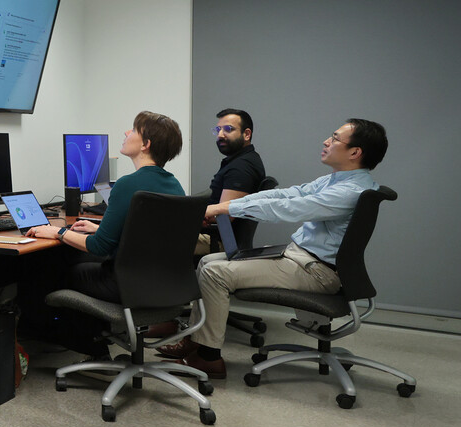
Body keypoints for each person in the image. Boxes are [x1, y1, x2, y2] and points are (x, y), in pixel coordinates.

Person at [158, 118, 388, 379]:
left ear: (355, 152)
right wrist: (230, 206)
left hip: (315, 271)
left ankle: (209, 358)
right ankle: (197, 341)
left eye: (335, 138)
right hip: (302, 258)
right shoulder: (337, 180)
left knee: (215, 273)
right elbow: (286, 195)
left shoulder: (349, 191)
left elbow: (287, 209)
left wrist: (226, 207)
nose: (326, 141)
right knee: (207, 262)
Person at [25, 111, 185, 361]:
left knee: (63, 267)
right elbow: (148, 235)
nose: (125, 133)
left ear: (146, 145)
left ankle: (91, 349)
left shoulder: (127, 184)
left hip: (127, 286)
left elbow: (99, 247)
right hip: (162, 286)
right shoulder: (174, 185)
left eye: (133, 130)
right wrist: (99, 227)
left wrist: (58, 231)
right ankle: (93, 342)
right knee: (77, 259)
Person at [197, 108, 266, 255]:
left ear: (246, 134)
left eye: (228, 129)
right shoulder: (240, 161)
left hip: (219, 241)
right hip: (215, 236)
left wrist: (197, 217)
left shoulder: (242, 167)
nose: (220, 135)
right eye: (218, 130)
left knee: (155, 239)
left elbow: (226, 215)